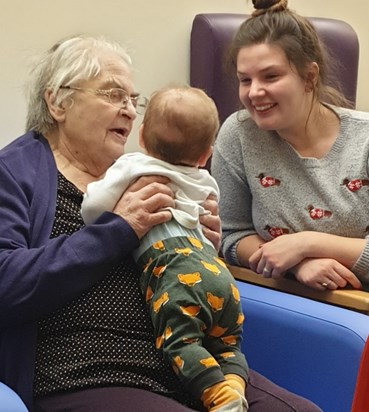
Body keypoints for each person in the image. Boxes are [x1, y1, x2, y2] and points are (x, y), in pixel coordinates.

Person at [0, 34, 321, 412]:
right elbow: (7, 282)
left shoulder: (140, 173)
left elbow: (175, 267)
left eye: (133, 100)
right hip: (88, 371)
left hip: (186, 359)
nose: (130, 111)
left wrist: (202, 244)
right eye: (113, 95)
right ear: (57, 101)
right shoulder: (15, 173)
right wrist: (118, 229)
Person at [82, 85, 249, 412]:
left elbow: (92, 210)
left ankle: (219, 396)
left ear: (141, 137)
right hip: (219, 275)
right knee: (228, 345)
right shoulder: (205, 179)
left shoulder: (133, 166)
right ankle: (234, 384)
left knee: (181, 341)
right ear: (205, 155)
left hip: (176, 273)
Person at [211, 0, 367, 292]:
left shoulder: (365, 140)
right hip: (282, 304)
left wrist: (305, 244)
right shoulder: (238, 134)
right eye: (245, 80)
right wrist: (297, 265)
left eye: (271, 76)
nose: (255, 92)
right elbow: (230, 235)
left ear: (309, 76)